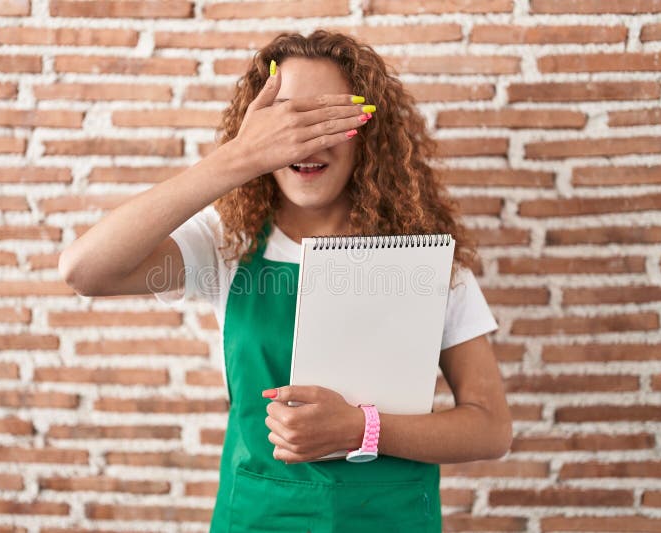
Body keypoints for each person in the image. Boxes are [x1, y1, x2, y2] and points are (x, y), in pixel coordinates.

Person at [59, 29, 512, 533]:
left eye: (327, 119)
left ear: (368, 132)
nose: (306, 140)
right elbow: (84, 270)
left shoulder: (427, 257)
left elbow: (490, 428)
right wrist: (237, 158)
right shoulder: (225, 244)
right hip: (258, 518)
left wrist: (362, 428)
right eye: (288, 121)